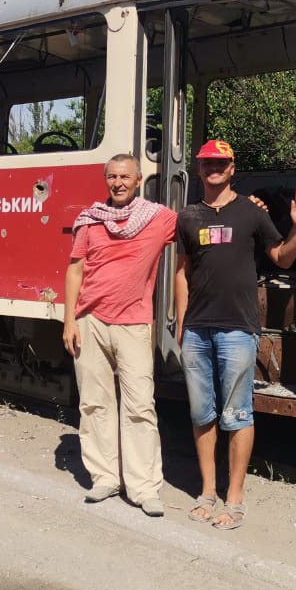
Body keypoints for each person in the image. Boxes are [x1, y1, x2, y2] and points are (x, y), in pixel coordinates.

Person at [174, 139, 296, 530]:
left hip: (238, 328)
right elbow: (182, 272)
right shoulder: (187, 217)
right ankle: (207, 492)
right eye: (207, 164)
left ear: (232, 168)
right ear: (199, 170)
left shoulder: (251, 214)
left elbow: (281, 257)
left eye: (221, 163)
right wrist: (182, 323)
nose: (213, 169)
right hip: (198, 330)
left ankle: (234, 498)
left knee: (236, 415)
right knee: (202, 415)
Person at [63, 153, 177, 517]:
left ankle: (143, 487)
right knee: (94, 402)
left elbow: (199, 226)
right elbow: (75, 272)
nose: (118, 183)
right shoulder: (90, 221)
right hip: (90, 321)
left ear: (139, 179)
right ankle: (105, 477)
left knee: (140, 405)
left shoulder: (157, 218)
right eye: (112, 176)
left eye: (124, 176)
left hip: (133, 323)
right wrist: (69, 320)